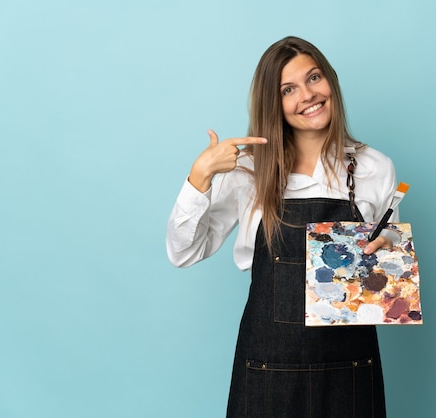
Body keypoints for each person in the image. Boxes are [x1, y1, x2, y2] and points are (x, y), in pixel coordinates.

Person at [166, 36, 398, 418]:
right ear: (273, 104)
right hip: (268, 368)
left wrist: (387, 251)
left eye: (314, 78)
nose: (307, 95)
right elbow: (183, 252)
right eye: (288, 89)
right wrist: (200, 176)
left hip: (351, 369)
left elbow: (381, 267)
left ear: (331, 81)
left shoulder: (375, 167)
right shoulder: (248, 171)